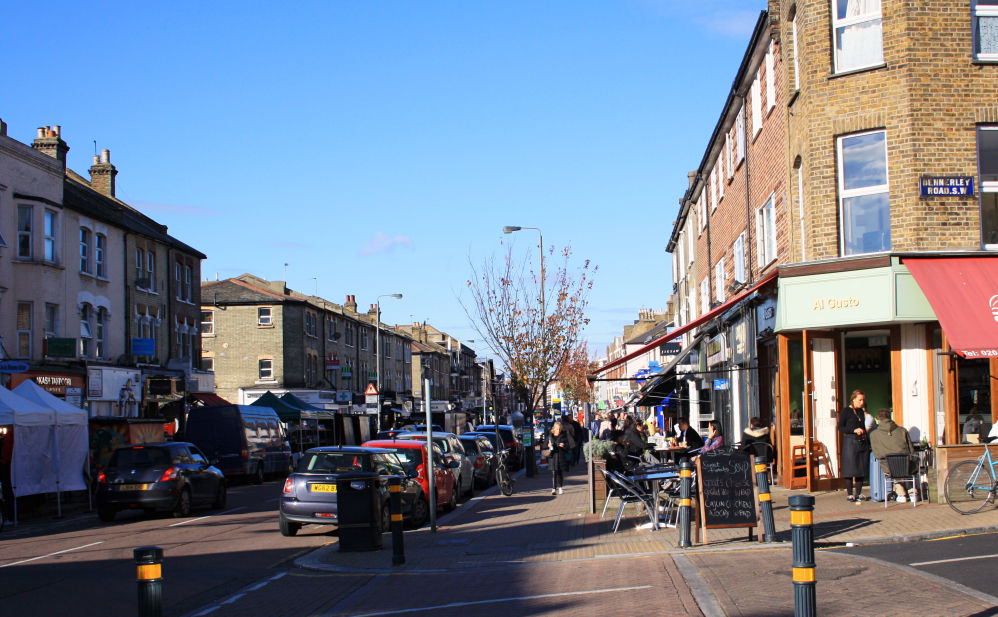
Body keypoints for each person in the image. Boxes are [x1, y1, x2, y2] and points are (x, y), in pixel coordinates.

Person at [868, 408, 915, 501]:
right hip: (906, 465)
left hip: (889, 467)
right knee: (906, 465)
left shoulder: (874, 434)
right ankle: (913, 493)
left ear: (878, 419)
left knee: (893, 467)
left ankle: (901, 494)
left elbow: (877, 455)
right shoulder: (903, 430)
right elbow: (911, 450)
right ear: (890, 418)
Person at [838, 389, 871, 502]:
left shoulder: (861, 411)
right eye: (860, 400)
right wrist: (853, 430)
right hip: (850, 442)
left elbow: (863, 425)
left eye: (863, 400)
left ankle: (859, 493)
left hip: (861, 442)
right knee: (850, 468)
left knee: (861, 468)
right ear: (853, 399)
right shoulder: (846, 411)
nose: (862, 402)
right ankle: (850, 494)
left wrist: (868, 440)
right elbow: (840, 427)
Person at [547, 421, 570, 495]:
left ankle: (560, 487)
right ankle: (553, 489)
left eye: (560, 429)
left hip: (561, 455)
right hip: (553, 456)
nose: (558, 431)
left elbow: (568, 446)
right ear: (554, 429)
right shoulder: (550, 436)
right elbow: (544, 445)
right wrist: (548, 445)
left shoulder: (564, 435)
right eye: (557, 429)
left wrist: (564, 446)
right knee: (554, 473)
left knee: (560, 473)